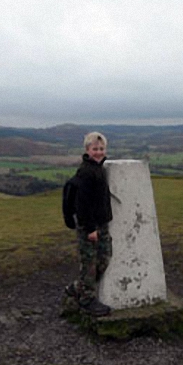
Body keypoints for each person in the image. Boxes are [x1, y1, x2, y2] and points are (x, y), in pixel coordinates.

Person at [65, 132, 113, 317]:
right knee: (90, 263)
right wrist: (90, 229)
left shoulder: (98, 168)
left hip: (101, 224)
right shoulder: (87, 172)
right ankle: (86, 300)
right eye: (95, 149)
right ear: (87, 150)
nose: (99, 152)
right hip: (90, 227)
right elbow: (82, 205)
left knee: (104, 258)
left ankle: (78, 287)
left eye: (101, 149)